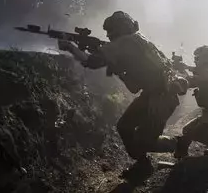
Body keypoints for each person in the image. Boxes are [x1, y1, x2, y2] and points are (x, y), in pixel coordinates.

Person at [58, 11, 188, 178]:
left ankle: (177, 143)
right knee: (124, 127)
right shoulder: (141, 40)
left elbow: (90, 62)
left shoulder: (125, 42)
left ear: (118, 29)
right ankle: (143, 164)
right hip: (153, 95)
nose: (109, 35)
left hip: (160, 99)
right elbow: (134, 82)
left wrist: (70, 47)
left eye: (110, 31)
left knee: (144, 140)